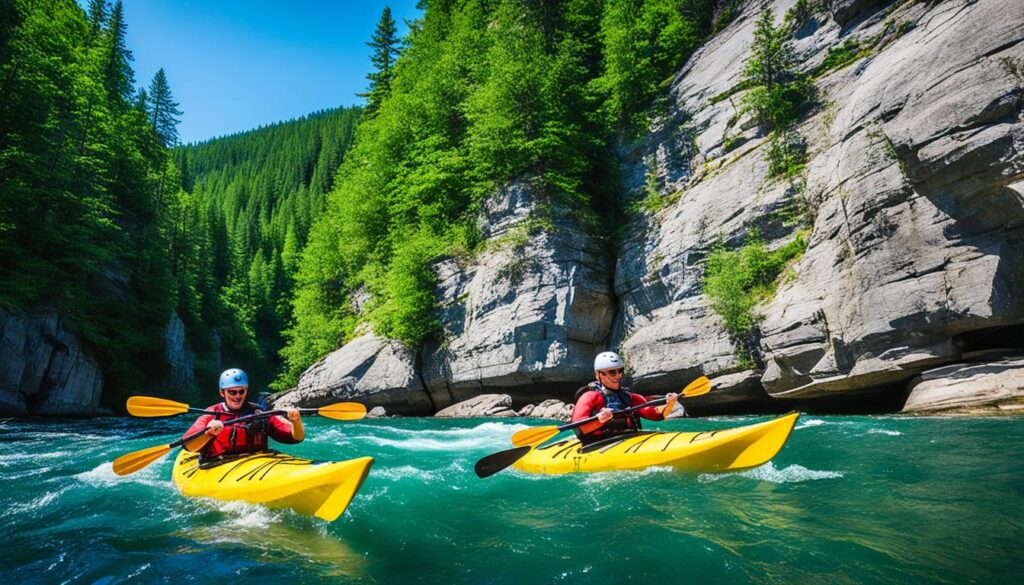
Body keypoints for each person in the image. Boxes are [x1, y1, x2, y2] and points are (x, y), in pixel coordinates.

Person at [183, 368, 304, 463]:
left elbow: (296, 438)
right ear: (222, 392)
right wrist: (209, 433)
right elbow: (189, 446)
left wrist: (296, 421)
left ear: (246, 390)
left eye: (241, 391)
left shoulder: (259, 412)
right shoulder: (212, 414)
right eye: (232, 392)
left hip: (258, 460)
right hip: (219, 464)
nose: (237, 396)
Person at [571, 351, 678, 444]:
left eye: (620, 371)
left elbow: (655, 414)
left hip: (628, 439)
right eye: (612, 372)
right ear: (599, 375)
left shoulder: (629, 397)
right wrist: (600, 420)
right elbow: (579, 428)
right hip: (597, 443)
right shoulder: (589, 397)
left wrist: (670, 403)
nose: (617, 375)